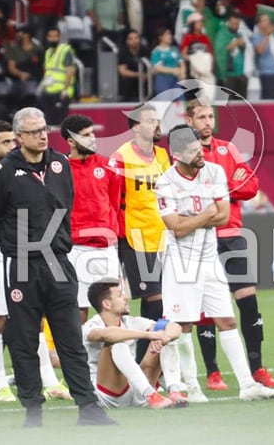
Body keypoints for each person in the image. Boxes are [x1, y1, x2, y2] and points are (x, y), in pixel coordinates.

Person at [0, 107, 116, 427]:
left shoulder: (59, 164)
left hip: (58, 261)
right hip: (23, 264)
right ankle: (33, 410)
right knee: (24, 339)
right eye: (34, 131)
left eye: (44, 129)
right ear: (18, 138)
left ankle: (88, 406)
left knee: (70, 336)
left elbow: (65, 204)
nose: (43, 135)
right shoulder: (2, 172)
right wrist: (15, 246)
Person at [156, 124, 274, 401]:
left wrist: (193, 220)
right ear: (176, 154)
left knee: (226, 319)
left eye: (199, 147)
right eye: (192, 150)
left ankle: (247, 386)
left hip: (209, 257)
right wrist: (204, 216)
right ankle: (189, 386)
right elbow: (176, 227)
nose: (200, 153)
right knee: (183, 324)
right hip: (181, 261)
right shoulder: (165, 182)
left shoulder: (214, 172)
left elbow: (223, 215)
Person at [0, 121, 70, 403]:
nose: (11, 146)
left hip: (24, 255)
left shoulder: (28, 172)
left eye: (13, 141)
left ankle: (50, 380)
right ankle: (0, 384)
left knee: (35, 316)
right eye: (5, 142)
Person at [185, 102, 274, 392]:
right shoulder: (185, 154)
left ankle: (258, 369)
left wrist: (219, 186)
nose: (207, 121)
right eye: (201, 117)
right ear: (189, 120)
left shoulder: (228, 148)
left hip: (232, 234)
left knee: (248, 301)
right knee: (206, 307)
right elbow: (194, 193)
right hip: (203, 236)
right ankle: (213, 372)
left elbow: (251, 187)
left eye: (210, 116)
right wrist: (228, 184)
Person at [109, 104, 170, 365]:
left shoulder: (163, 155)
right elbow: (112, 200)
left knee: (164, 300)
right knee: (153, 297)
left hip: (164, 235)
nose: (157, 125)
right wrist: (115, 235)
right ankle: (144, 359)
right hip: (135, 236)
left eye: (158, 121)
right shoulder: (120, 157)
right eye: (150, 121)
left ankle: (153, 361)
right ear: (135, 126)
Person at [82, 279, 186, 409]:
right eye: (120, 295)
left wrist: (164, 337)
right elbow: (106, 334)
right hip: (107, 395)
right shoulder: (91, 326)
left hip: (136, 390)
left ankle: (174, 390)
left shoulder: (130, 321)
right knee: (115, 344)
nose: (126, 297)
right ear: (107, 304)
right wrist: (149, 335)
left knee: (166, 336)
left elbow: (175, 327)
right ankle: (151, 394)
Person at [60, 114, 121, 323]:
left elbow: (114, 202)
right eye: (86, 135)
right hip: (76, 249)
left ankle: (113, 355)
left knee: (114, 306)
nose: (93, 138)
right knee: (78, 309)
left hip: (106, 248)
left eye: (93, 133)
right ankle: (80, 356)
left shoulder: (108, 165)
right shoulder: (59, 170)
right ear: (71, 141)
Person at [39, 27, 75, 125]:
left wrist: (65, 90)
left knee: (61, 122)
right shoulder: (48, 52)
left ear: (59, 37)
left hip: (61, 92)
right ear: (47, 38)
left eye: (55, 36)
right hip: (49, 91)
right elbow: (47, 72)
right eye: (50, 36)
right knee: (50, 122)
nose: (53, 39)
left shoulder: (65, 50)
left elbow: (70, 71)